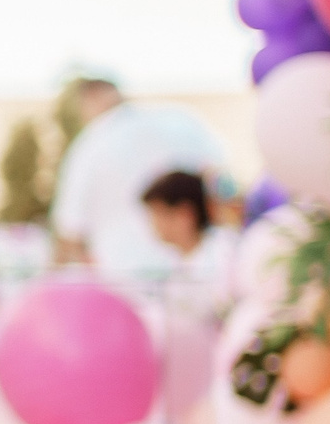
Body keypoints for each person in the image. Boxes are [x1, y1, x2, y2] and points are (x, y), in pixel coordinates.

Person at [49, 77, 229, 274]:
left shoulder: (90, 143)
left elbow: (70, 231)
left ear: (90, 98)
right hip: (198, 270)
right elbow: (224, 189)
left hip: (120, 279)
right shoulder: (182, 121)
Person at [141, 168, 238, 303]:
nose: (154, 223)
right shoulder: (181, 260)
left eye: (158, 213)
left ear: (185, 214)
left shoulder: (224, 251)